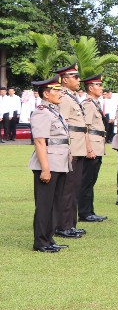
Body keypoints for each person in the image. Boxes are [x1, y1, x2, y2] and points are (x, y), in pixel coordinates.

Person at [28, 76, 72, 252]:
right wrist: (45, 169)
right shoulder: (41, 112)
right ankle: (40, 242)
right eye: (56, 90)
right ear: (46, 94)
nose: (61, 93)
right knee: (45, 204)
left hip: (59, 163)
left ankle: (49, 237)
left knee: (55, 203)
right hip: (48, 164)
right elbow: (40, 142)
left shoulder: (55, 111)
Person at [53, 64, 89, 239]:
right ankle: (63, 225)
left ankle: (70, 224)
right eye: (75, 77)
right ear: (65, 79)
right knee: (67, 188)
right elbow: (63, 125)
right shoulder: (65, 98)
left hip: (79, 146)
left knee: (74, 187)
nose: (78, 79)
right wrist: (68, 148)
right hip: (72, 147)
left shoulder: (73, 97)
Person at [79, 74, 108, 223]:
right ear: (90, 88)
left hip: (97, 145)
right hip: (92, 147)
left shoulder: (94, 103)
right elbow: (86, 128)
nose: (101, 88)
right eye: (98, 85)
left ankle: (89, 210)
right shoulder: (88, 104)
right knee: (87, 181)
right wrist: (89, 149)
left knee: (91, 180)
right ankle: (84, 212)